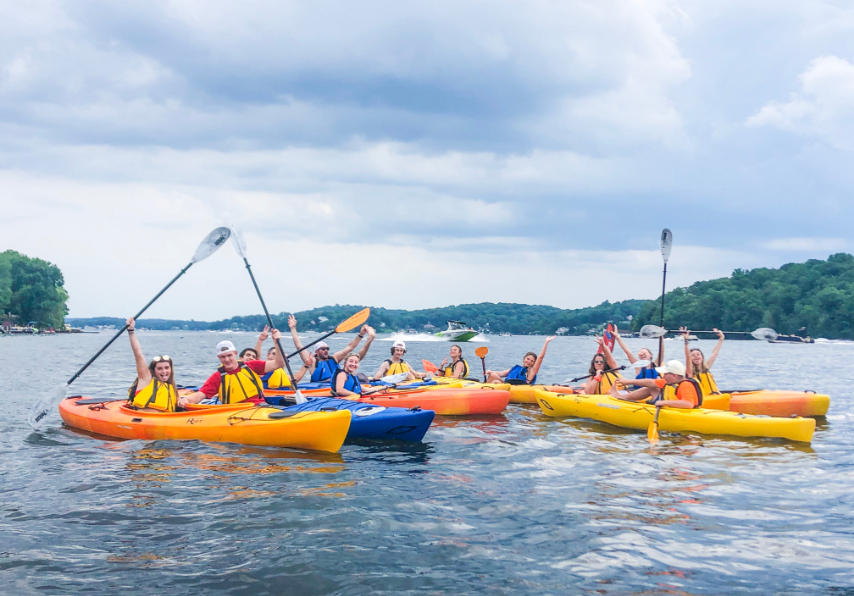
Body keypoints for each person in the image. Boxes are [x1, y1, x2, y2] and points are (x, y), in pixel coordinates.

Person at [177, 332, 287, 407]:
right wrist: (186, 400)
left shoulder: (251, 366)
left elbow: (279, 363)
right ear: (219, 358)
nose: (227, 359)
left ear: (235, 353)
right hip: (234, 414)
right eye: (223, 357)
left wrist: (276, 342)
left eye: (229, 355)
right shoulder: (217, 377)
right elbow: (200, 395)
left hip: (259, 407)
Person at [289, 315, 376, 382]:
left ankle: (369, 340)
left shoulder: (334, 358)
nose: (326, 350)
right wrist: (293, 328)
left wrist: (360, 335)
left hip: (336, 385)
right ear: (317, 351)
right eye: (323, 349)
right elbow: (299, 346)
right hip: (320, 387)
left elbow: (350, 347)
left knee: (356, 363)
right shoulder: (312, 361)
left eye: (327, 348)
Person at [125, 317, 178, 411]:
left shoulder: (171, 387)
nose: (164, 371)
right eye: (160, 369)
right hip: (145, 420)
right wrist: (131, 331)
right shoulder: (146, 379)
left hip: (167, 421)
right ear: (154, 370)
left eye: (166, 368)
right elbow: (138, 355)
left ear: (171, 369)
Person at [607, 360, 702, 409]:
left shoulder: (685, 385)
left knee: (653, 388)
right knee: (651, 388)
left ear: (674, 375)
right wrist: (629, 381)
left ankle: (623, 397)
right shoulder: (670, 381)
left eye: (665, 373)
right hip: (673, 409)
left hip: (686, 413)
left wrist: (663, 402)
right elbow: (650, 382)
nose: (663, 376)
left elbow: (689, 404)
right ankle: (622, 397)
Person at [485, 336, 555, 384]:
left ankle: (485, 391)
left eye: (532, 361)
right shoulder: (516, 368)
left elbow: (540, 358)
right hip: (508, 386)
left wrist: (546, 342)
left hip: (519, 389)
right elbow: (499, 374)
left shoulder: (531, 371)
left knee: (496, 382)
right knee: (492, 375)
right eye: (528, 359)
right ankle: (484, 390)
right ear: (524, 358)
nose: (529, 361)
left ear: (534, 363)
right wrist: (489, 371)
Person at [682, 326, 724, 395]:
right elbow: (687, 357)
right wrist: (686, 341)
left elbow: (715, 353)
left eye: (698, 354)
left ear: (702, 357)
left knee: (735, 393)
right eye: (693, 355)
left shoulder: (706, 367)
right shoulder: (690, 372)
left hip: (716, 396)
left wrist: (721, 338)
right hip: (705, 400)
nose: (696, 356)